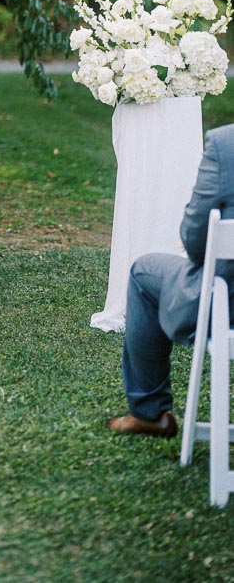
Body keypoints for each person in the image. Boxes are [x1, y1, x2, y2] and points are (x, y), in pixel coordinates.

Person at [107, 122, 234, 438]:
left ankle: (150, 412)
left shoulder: (226, 144)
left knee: (143, 272)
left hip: (224, 304)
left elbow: (194, 236)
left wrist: (195, 243)